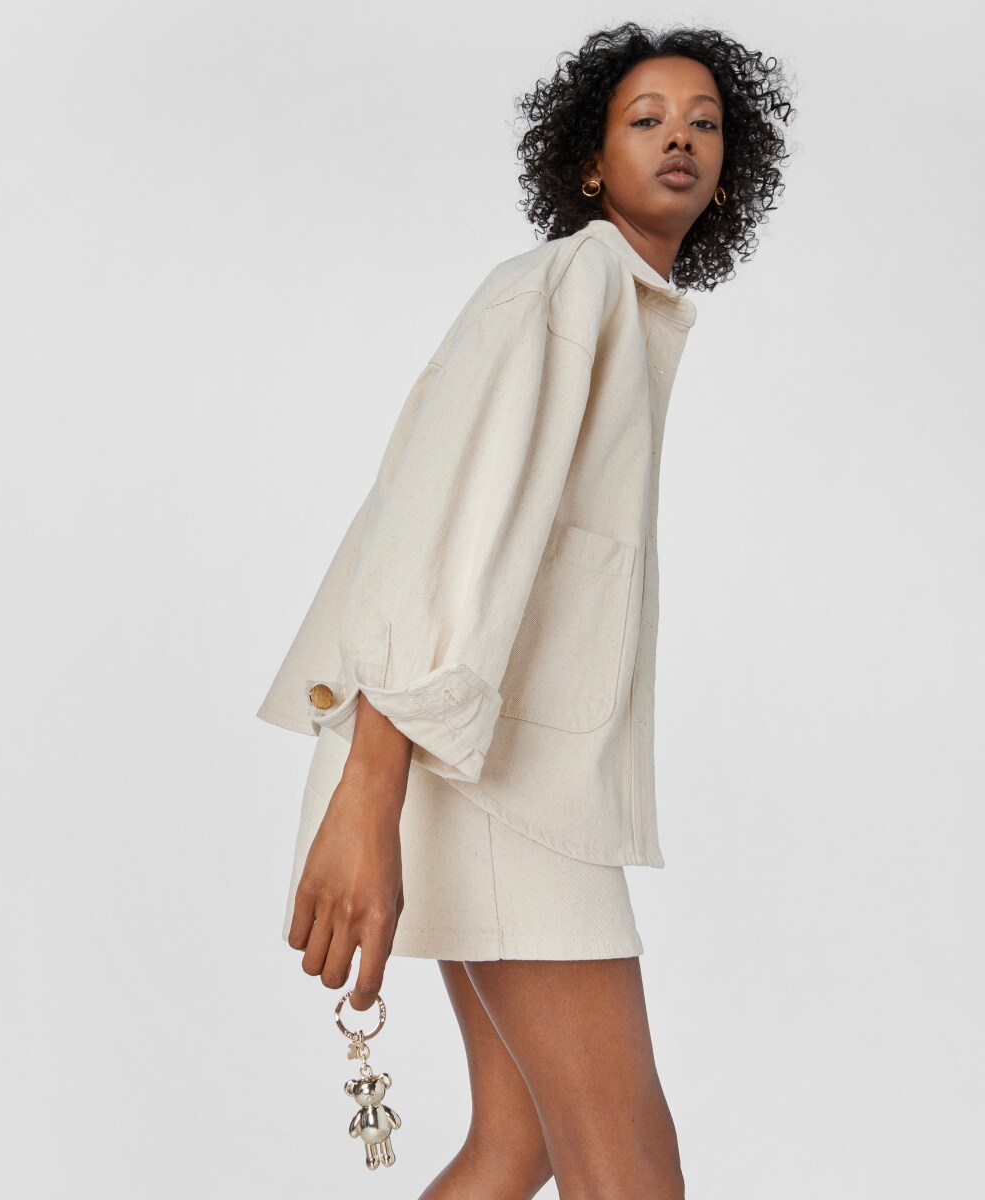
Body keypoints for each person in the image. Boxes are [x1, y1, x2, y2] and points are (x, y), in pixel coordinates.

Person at [258, 22, 795, 1200]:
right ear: (591, 162)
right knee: (629, 1169)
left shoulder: (624, 307)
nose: (680, 138)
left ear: (729, 171)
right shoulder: (570, 283)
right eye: (647, 119)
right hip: (484, 783)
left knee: (516, 1147)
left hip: (490, 774)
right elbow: (436, 534)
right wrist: (369, 800)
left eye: (704, 124)